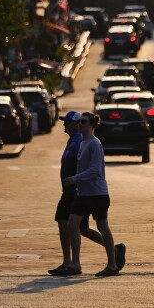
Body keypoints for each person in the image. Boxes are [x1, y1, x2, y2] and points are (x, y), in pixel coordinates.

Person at [62, 112, 124, 277]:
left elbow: (95, 169)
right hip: (83, 194)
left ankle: (112, 264)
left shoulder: (94, 144)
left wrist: (74, 178)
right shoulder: (83, 143)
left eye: (83, 122)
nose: (80, 124)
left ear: (91, 125)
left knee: (102, 226)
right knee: (72, 223)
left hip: (97, 194)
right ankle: (75, 264)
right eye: (79, 122)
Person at [48, 112, 105, 276]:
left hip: (75, 191)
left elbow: (88, 167)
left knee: (72, 224)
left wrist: (75, 180)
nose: (64, 125)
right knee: (75, 225)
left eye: (67, 122)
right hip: (69, 191)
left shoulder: (80, 141)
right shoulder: (73, 140)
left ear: (77, 124)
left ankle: (71, 263)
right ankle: (112, 250)